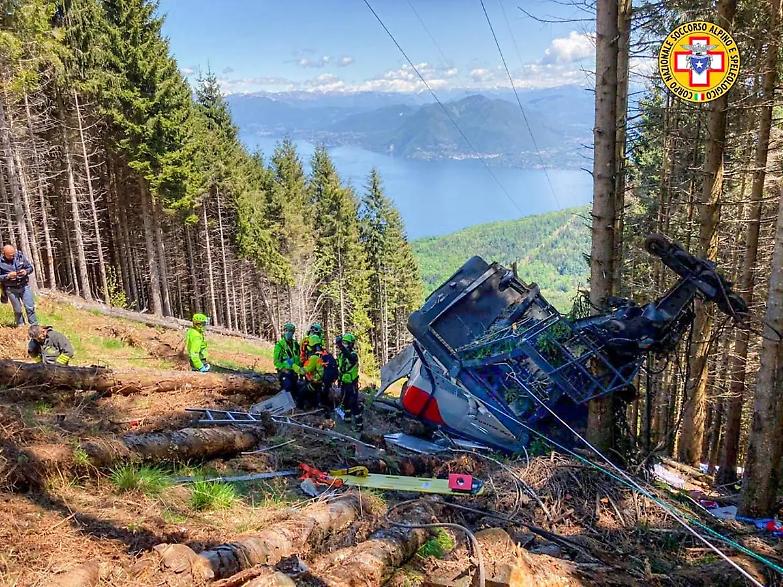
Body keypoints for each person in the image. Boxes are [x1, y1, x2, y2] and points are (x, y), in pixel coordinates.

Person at [0, 245, 37, 327]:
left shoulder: (20, 257)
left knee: (30, 307)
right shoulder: (0, 262)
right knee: (17, 310)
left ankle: (34, 325)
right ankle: (20, 326)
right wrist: (8, 276)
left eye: (13, 254)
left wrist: (25, 271)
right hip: (11, 289)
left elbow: (30, 268)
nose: (12, 256)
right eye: (10, 255)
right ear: (4, 253)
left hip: (24, 286)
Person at [336, 333, 362, 430]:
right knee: (345, 402)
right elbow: (340, 368)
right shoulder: (341, 355)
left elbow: (350, 358)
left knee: (353, 404)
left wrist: (340, 346)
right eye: (343, 342)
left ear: (351, 344)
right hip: (344, 383)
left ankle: (359, 425)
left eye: (346, 343)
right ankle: (347, 421)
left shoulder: (353, 355)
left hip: (352, 384)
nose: (344, 345)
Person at [274, 322, 302, 394]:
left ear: (293, 333)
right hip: (285, 373)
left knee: (296, 392)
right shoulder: (280, 345)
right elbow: (276, 361)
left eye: (290, 331)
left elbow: (298, 357)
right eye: (286, 330)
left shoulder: (296, 344)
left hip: (294, 373)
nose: (288, 333)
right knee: (287, 388)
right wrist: (283, 369)